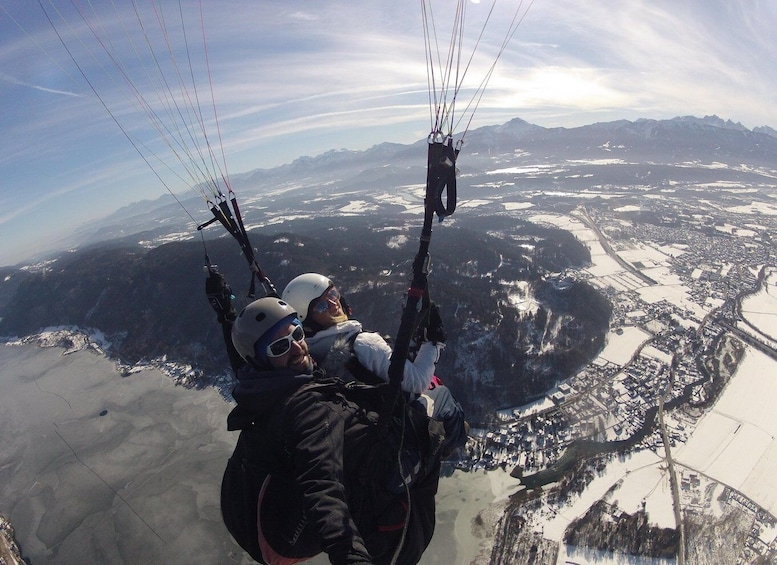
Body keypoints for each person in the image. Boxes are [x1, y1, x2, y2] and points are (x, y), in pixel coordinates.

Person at [218, 294, 444, 565]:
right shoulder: (308, 408)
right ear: (260, 361)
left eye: (297, 334)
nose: (297, 348)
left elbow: (244, 359)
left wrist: (225, 315)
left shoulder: (258, 385)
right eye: (280, 347)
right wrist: (350, 556)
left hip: (250, 509)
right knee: (431, 437)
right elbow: (322, 485)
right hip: (296, 535)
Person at [282, 273, 467, 454]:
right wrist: (433, 343)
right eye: (321, 306)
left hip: (362, 426)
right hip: (393, 426)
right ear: (308, 319)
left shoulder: (308, 352)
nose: (333, 304)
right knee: (442, 395)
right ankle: (442, 450)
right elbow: (417, 382)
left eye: (332, 294)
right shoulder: (363, 344)